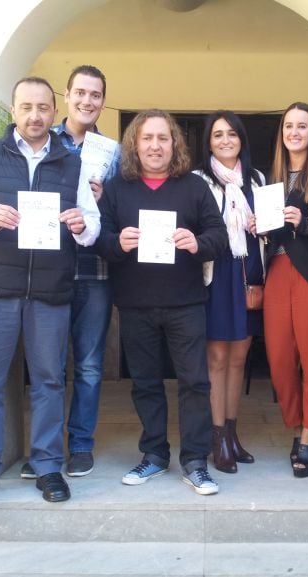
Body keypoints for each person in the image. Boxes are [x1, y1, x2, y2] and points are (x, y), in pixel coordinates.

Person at [0, 77, 100, 512]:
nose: (35, 116)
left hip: (51, 291)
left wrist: (80, 225)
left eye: (43, 108)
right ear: (13, 110)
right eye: (26, 107)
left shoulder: (73, 163)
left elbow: (92, 226)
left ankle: (49, 465)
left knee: (50, 381)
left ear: (56, 112)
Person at [95, 109, 228, 495]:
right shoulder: (119, 188)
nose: (155, 145)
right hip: (135, 303)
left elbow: (218, 236)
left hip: (186, 303)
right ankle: (154, 455)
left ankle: (195, 461)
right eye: (147, 138)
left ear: (175, 144)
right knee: (146, 384)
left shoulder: (194, 188)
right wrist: (116, 243)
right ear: (135, 144)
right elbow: (99, 238)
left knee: (195, 383)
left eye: (163, 138)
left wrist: (197, 243)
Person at [19, 64, 120, 481]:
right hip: (48, 266)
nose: (87, 101)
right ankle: (45, 450)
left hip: (95, 270)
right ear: (66, 95)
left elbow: (119, 211)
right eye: (81, 92)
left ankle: (79, 446)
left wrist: (104, 196)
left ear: (102, 101)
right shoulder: (43, 138)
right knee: (49, 364)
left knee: (90, 364)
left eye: (95, 95)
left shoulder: (110, 151)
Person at [193, 111, 264, 474]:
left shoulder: (257, 178)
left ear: (241, 139)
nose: (225, 140)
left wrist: (261, 225)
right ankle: (216, 437)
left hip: (248, 273)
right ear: (208, 141)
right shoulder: (197, 180)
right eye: (217, 135)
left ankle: (233, 434)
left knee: (239, 358)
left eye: (231, 134)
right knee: (216, 359)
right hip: (215, 274)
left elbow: (268, 229)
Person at [263, 103, 308, 478]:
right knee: (279, 360)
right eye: (289, 126)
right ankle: (296, 422)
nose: (294, 132)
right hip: (276, 269)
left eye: (302, 126)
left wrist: (303, 223)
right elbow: (271, 231)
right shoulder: (269, 176)